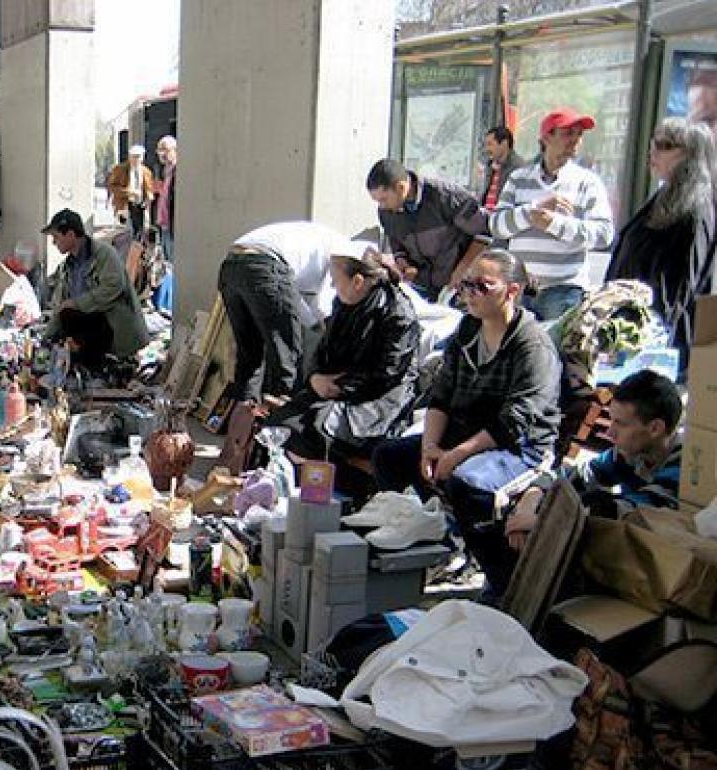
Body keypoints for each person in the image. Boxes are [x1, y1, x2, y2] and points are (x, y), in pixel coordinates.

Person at [372, 249, 561, 600]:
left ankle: (503, 580)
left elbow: (518, 420)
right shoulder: (468, 328)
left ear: (512, 290)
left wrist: (456, 454)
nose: (469, 294)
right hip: (465, 434)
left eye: (482, 286)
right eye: (465, 285)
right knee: (389, 457)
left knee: (467, 484)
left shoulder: (532, 345)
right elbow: (441, 395)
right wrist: (430, 446)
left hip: (519, 447)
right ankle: (443, 534)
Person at [265, 243, 420, 490]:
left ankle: (332, 492)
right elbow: (323, 350)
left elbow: (387, 374)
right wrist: (315, 376)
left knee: (314, 428)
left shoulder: (397, 314)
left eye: (336, 280)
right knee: (279, 422)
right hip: (338, 388)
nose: (333, 286)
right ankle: (294, 491)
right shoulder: (343, 305)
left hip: (379, 400)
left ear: (357, 281)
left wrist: (339, 386)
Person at [505, 370, 683, 551]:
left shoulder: (684, 471)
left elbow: (627, 515)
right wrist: (529, 503)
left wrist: (541, 523)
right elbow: (570, 477)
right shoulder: (628, 454)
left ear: (655, 428)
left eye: (620, 424)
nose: (609, 432)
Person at [605, 117, 716, 372]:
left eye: (666, 145)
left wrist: (652, 333)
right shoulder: (666, 198)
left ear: (691, 155)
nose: (653, 150)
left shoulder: (694, 209)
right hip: (631, 324)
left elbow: (681, 284)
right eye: (655, 142)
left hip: (656, 338)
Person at [490, 107, 615, 321]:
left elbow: (604, 234)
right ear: (546, 137)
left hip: (563, 290)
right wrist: (531, 213)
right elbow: (496, 225)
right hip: (521, 289)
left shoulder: (587, 182)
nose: (575, 140)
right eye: (568, 133)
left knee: (555, 352)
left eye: (579, 135)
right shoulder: (519, 178)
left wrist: (554, 224)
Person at [217, 221, 345, 404]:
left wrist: (313, 324)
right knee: (286, 355)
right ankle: (281, 422)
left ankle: (242, 414)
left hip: (231, 265)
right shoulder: (342, 253)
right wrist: (328, 333)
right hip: (265, 265)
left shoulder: (315, 244)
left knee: (250, 352)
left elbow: (293, 300)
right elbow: (322, 306)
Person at [367, 158, 490, 300]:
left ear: (401, 187)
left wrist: (461, 272)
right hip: (421, 288)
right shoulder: (386, 212)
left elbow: (483, 235)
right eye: (377, 201)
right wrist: (402, 262)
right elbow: (396, 242)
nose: (381, 206)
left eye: (384, 199)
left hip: (459, 289)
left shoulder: (446, 197)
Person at [43, 208, 149, 370]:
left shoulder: (104, 254)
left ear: (70, 234)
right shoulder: (68, 266)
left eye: (56, 237)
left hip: (111, 322)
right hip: (89, 324)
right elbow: (62, 306)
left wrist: (78, 303)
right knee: (66, 317)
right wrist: (47, 339)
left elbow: (113, 287)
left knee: (75, 315)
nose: (54, 243)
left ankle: (103, 366)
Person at [108, 144, 155, 238]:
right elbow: (111, 186)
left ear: (142, 158)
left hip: (140, 206)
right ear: (129, 157)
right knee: (124, 233)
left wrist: (149, 196)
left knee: (139, 233)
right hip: (124, 205)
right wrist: (129, 192)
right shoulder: (120, 169)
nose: (136, 159)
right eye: (133, 157)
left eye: (138, 157)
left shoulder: (146, 172)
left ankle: (136, 249)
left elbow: (149, 188)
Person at [482, 126, 525, 211]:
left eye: (490, 144)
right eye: (486, 145)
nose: (487, 149)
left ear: (504, 144)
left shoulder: (519, 168)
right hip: (486, 219)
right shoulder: (490, 166)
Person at [155, 135, 178, 261]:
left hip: (173, 225)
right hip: (163, 224)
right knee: (167, 261)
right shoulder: (163, 171)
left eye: (166, 149)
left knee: (173, 260)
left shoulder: (179, 171)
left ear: (175, 151)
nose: (162, 154)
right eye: (160, 150)